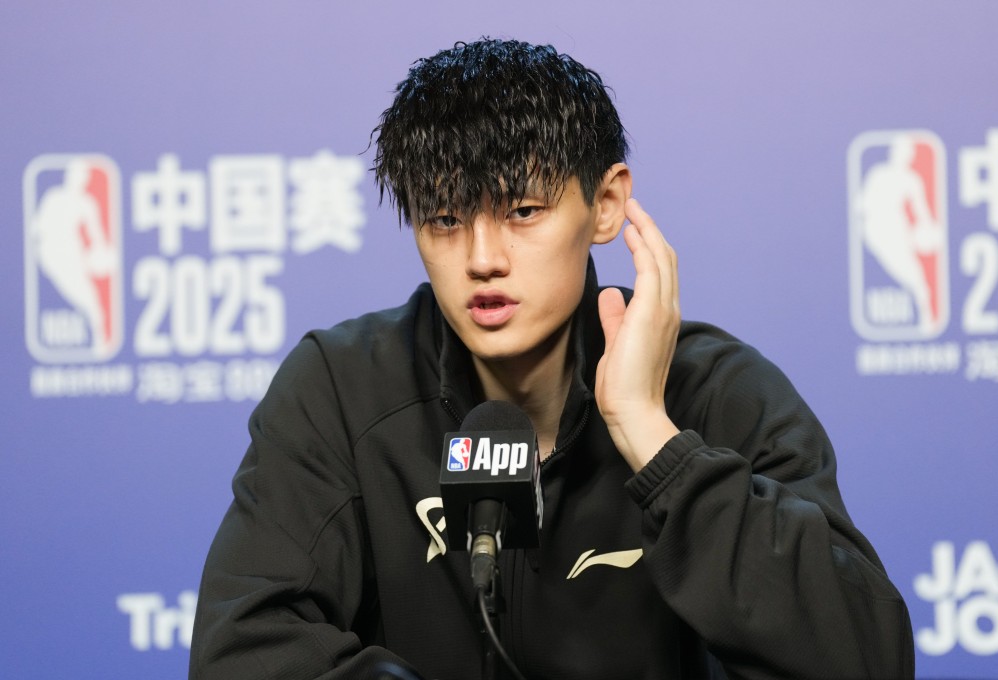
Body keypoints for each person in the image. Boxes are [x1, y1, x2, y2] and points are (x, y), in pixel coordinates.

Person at [190, 38, 914, 679]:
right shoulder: (341, 389)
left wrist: (655, 442)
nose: (481, 259)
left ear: (605, 205)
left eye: (521, 212)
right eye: (445, 218)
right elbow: (242, 651)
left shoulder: (717, 392)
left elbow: (867, 657)